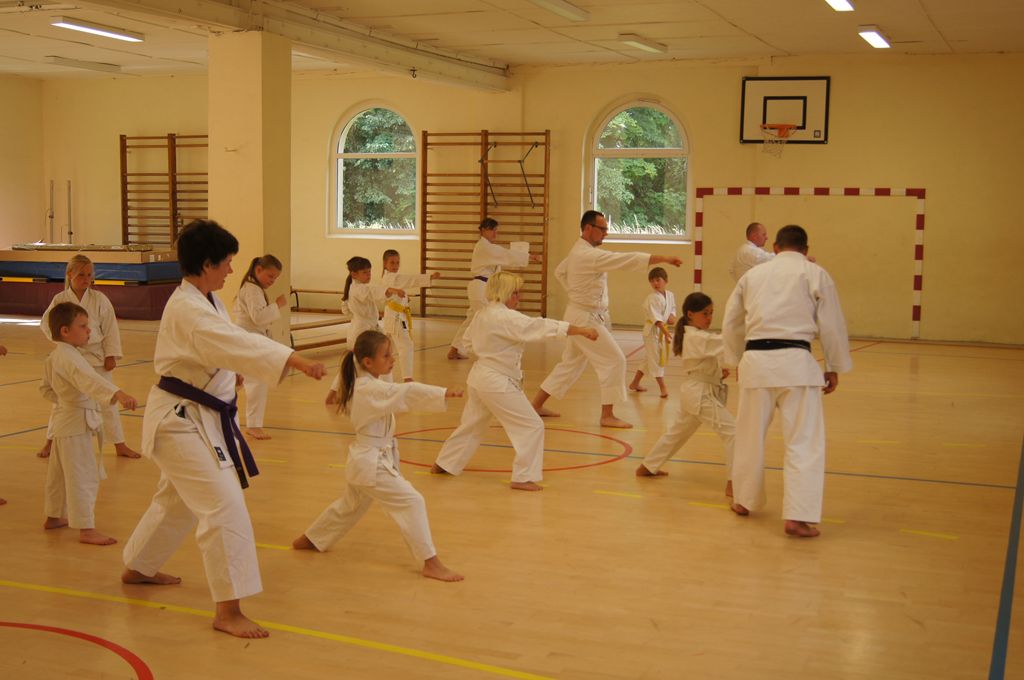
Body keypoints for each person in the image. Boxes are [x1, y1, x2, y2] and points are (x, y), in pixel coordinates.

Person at [120, 219, 326, 639]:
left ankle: (139, 566)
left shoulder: (208, 299)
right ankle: (228, 610)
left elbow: (222, 345)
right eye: (227, 262)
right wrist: (293, 359)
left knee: (176, 502)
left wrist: (229, 375)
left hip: (198, 417)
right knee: (224, 505)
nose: (232, 269)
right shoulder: (189, 309)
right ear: (207, 264)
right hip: (179, 422)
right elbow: (236, 343)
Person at [293, 330, 464, 582]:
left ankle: (311, 538)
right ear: (367, 362)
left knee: (350, 506)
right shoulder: (368, 389)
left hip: (366, 460)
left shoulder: (367, 385)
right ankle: (431, 563)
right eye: (386, 356)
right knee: (412, 501)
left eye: (391, 354)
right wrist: (443, 392)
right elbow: (407, 391)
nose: (392, 359)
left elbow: (398, 398)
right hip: (371, 464)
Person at [721, 224, 852, 538]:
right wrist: (834, 366)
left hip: (756, 363)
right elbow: (832, 324)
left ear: (776, 248)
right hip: (797, 366)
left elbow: (731, 321)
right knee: (804, 442)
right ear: (805, 250)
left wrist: (734, 360)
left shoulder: (752, 276)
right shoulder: (815, 273)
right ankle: (797, 516)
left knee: (749, 436)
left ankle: (743, 500)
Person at [431, 272, 598, 491]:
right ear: (504, 293)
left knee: (472, 424)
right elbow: (540, 326)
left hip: (480, 376)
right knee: (531, 425)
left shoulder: (482, 314)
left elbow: (468, 342)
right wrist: (581, 330)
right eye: (515, 293)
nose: (519, 297)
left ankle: (444, 463)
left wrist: (489, 352)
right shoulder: (506, 317)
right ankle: (523, 477)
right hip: (496, 381)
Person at [531, 210, 682, 428]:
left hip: (580, 313)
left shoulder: (578, 251)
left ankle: (536, 405)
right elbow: (625, 260)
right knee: (615, 360)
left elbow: (559, 272)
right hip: (585, 319)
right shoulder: (587, 255)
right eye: (602, 229)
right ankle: (607, 415)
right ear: (588, 228)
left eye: (606, 229)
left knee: (570, 364)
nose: (606, 233)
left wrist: (575, 294)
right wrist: (663, 258)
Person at [40, 302, 138, 545]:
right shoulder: (71, 358)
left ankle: (54, 516)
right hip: (75, 424)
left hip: (64, 420)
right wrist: (118, 393)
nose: (89, 331)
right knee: (82, 475)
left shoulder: (56, 355)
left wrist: (66, 401)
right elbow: (90, 380)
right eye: (83, 326)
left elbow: (45, 388)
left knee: (59, 474)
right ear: (65, 331)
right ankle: (86, 529)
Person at [38, 254, 140, 459]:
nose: (86, 279)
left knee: (108, 403)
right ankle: (50, 441)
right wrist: (63, 343)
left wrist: (111, 355)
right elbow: (47, 324)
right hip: (71, 355)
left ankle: (119, 444)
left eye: (89, 275)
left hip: (96, 357)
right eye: (81, 275)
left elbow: (110, 328)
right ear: (70, 274)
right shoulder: (60, 300)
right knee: (62, 401)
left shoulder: (99, 299)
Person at [636, 293, 735, 496]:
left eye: (711, 313)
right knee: (734, 434)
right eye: (705, 313)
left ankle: (647, 466)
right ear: (690, 314)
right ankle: (735, 482)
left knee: (676, 434)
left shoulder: (696, 335)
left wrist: (718, 373)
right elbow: (728, 342)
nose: (709, 318)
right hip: (700, 395)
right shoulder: (697, 337)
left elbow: (703, 364)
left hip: (695, 392)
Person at [447, 218, 541, 360]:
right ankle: (490, 351)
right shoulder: (484, 247)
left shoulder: (489, 248)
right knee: (489, 319)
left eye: (496, 230)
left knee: (472, 320)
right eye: (492, 230)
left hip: (484, 288)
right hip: (480, 287)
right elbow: (505, 254)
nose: (495, 233)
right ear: (483, 230)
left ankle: (456, 349)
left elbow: (502, 257)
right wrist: (529, 257)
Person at [325, 256, 404, 404]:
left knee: (375, 359)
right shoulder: (358, 289)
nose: (368, 275)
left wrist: (391, 294)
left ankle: (387, 391)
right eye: (365, 272)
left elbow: (370, 295)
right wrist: (390, 290)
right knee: (360, 363)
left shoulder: (356, 287)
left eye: (369, 272)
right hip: (362, 333)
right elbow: (373, 291)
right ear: (354, 274)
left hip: (367, 330)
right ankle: (387, 392)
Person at [232, 254, 287, 440]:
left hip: (248, 339)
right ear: (258, 270)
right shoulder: (252, 289)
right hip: (248, 340)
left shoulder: (253, 288)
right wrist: (277, 305)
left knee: (238, 380)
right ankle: (254, 425)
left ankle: (215, 407)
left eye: (275, 278)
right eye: (270, 276)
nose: (272, 281)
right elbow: (259, 317)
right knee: (256, 381)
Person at [380, 249, 441, 382]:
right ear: (385, 264)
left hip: (393, 316)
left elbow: (399, 290)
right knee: (406, 345)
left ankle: (384, 379)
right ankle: (407, 378)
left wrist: (405, 299)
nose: (395, 265)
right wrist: (429, 277)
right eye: (392, 263)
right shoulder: (392, 277)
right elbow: (410, 280)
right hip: (395, 318)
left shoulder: (391, 277)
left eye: (397, 262)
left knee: (388, 349)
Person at [628, 267, 677, 398]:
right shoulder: (652, 298)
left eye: (657, 280)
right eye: (652, 281)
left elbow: (672, 308)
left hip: (661, 331)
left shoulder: (670, 295)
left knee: (648, 359)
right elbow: (656, 319)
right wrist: (665, 332)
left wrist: (672, 316)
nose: (655, 283)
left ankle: (634, 383)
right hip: (652, 332)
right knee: (656, 359)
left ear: (665, 281)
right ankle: (663, 388)